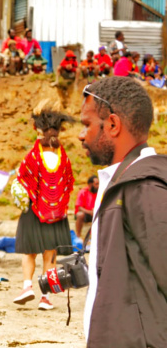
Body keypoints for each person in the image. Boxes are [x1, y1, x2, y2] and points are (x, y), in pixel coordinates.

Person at [78, 77, 167, 347]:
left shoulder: (145, 187)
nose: (81, 135)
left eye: (87, 124)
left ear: (113, 125)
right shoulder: (120, 181)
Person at [11, 107, 74, 311]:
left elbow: (22, 182)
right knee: (51, 254)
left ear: (37, 130)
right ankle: (45, 297)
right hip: (57, 214)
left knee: (30, 253)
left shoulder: (32, 157)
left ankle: (27, 286)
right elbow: (67, 184)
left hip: (33, 211)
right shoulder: (64, 159)